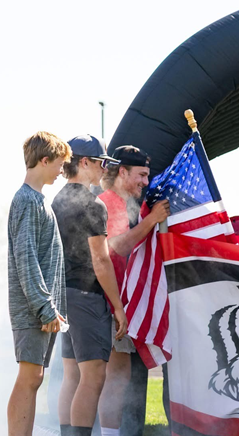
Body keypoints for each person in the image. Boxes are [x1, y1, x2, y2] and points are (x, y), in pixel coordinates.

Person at [52, 135, 128, 436]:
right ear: (84, 162)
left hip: (63, 297)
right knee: (94, 376)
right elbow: (101, 259)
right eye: (100, 163)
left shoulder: (57, 200)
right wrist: (118, 307)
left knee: (72, 376)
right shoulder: (92, 204)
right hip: (86, 297)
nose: (104, 170)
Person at [97, 146, 170, 436]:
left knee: (114, 375)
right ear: (122, 172)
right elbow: (117, 246)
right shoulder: (112, 202)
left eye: (147, 176)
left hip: (109, 300)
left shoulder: (119, 202)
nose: (145, 182)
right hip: (107, 302)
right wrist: (152, 220)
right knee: (115, 376)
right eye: (141, 175)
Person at [7, 132, 72, 436]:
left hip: (43, 310)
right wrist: (45, 308)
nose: (61, 170)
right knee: (29, 377)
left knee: (35, 378)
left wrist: (51, 309)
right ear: (44, 160)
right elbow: (26, 259)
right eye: (59, 163)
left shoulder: (39, 201)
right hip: (33, 310)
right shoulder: (26, 200)